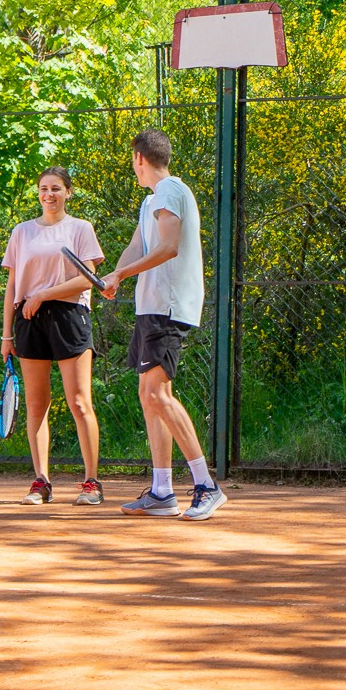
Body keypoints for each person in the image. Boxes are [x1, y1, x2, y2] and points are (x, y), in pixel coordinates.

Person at [102, 128, 226, 520]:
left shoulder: (170, 190)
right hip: (150, 307)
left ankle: (207, 485)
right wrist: (114, 275)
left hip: (168, 308)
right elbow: (138, 246)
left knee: (159, 395)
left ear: (140, 157)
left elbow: (169, 247)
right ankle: (161, 491)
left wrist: (121, 277)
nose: (133, 167)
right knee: (148, 394)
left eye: (132, 160)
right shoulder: (152, 201)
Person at [1, 167, 106, 505]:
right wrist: (6, 335)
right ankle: (41, 482)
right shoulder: (22, 232)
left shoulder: (80, 229)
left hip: (69, 316)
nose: (49, 195)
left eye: (56, 189)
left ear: (68, 193)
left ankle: (91, 482)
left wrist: (43, 294)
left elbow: (88, 278)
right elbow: (12, 287)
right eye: (43, 188)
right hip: (28, 320)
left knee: (79, 402)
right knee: (36, 405)